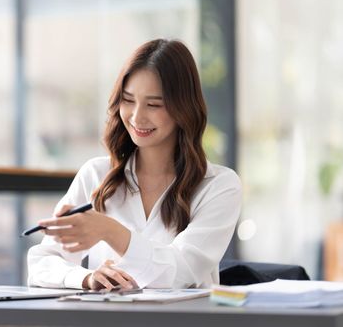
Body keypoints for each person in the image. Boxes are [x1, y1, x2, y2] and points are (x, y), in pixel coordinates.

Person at [27, 39, 242, 290]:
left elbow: (183, 272)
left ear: (183, 108)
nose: (137, 116)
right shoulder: (96, 175)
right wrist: (86, 278)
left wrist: (110, 231)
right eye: (128, 100)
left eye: (154, 104)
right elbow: (43, 262)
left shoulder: (219, 186)